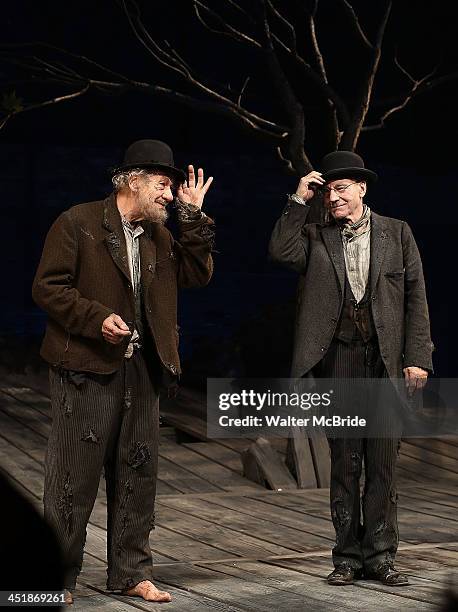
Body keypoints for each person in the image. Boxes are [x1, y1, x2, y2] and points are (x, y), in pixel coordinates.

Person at [32, 139, 215, 604]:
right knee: (73, 476)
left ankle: (131, 572)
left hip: (145, 370)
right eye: (163, 185)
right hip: (86, 368)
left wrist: (193, 218)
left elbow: (198, 274)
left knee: (138, 472)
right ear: (132, 180)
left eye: (173, 188)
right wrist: (96, 319)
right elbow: (48, 288)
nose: (170, 195)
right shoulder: (78, 222)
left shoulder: (161, 236)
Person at [269, 151, 433, 586]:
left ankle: (380, 556)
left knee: (382, 462)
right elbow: (280, 251)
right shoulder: (315, 234)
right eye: (328, 191)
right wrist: (298, 199)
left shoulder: (397, 233)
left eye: (342, 189)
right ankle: (346, 557)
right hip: (338, 358)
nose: (334, 197)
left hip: (384, 359)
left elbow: (416, 296)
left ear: (362, 189)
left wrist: (418, 357)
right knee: (345, 461)